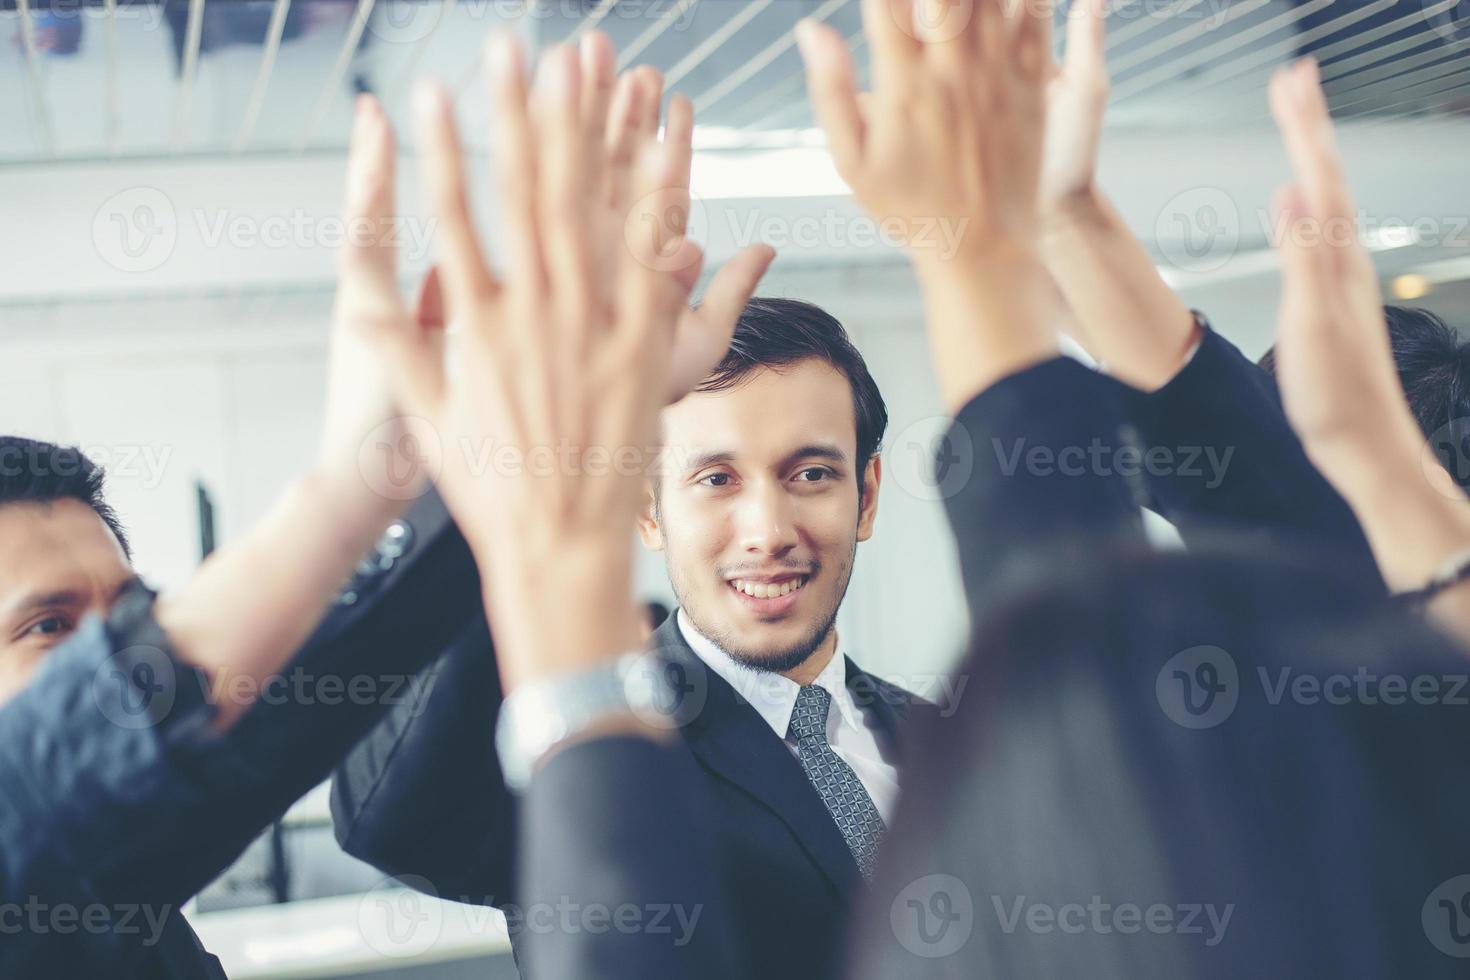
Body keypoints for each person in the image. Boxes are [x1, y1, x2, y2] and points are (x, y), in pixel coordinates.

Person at [329, 39, 934, 980]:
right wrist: (522, 463)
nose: (768, 528)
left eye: (811, 473)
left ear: (868, 495)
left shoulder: (953, 740)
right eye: (715, 478)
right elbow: (396, 819)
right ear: (644, 508)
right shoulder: (580, 738)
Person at [0, 93, 475, 977]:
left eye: (131, 612)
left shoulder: (136, 905)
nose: (112, 654)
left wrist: (529, 447)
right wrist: (343, 495)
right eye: (47, 625)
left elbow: (307, 684)